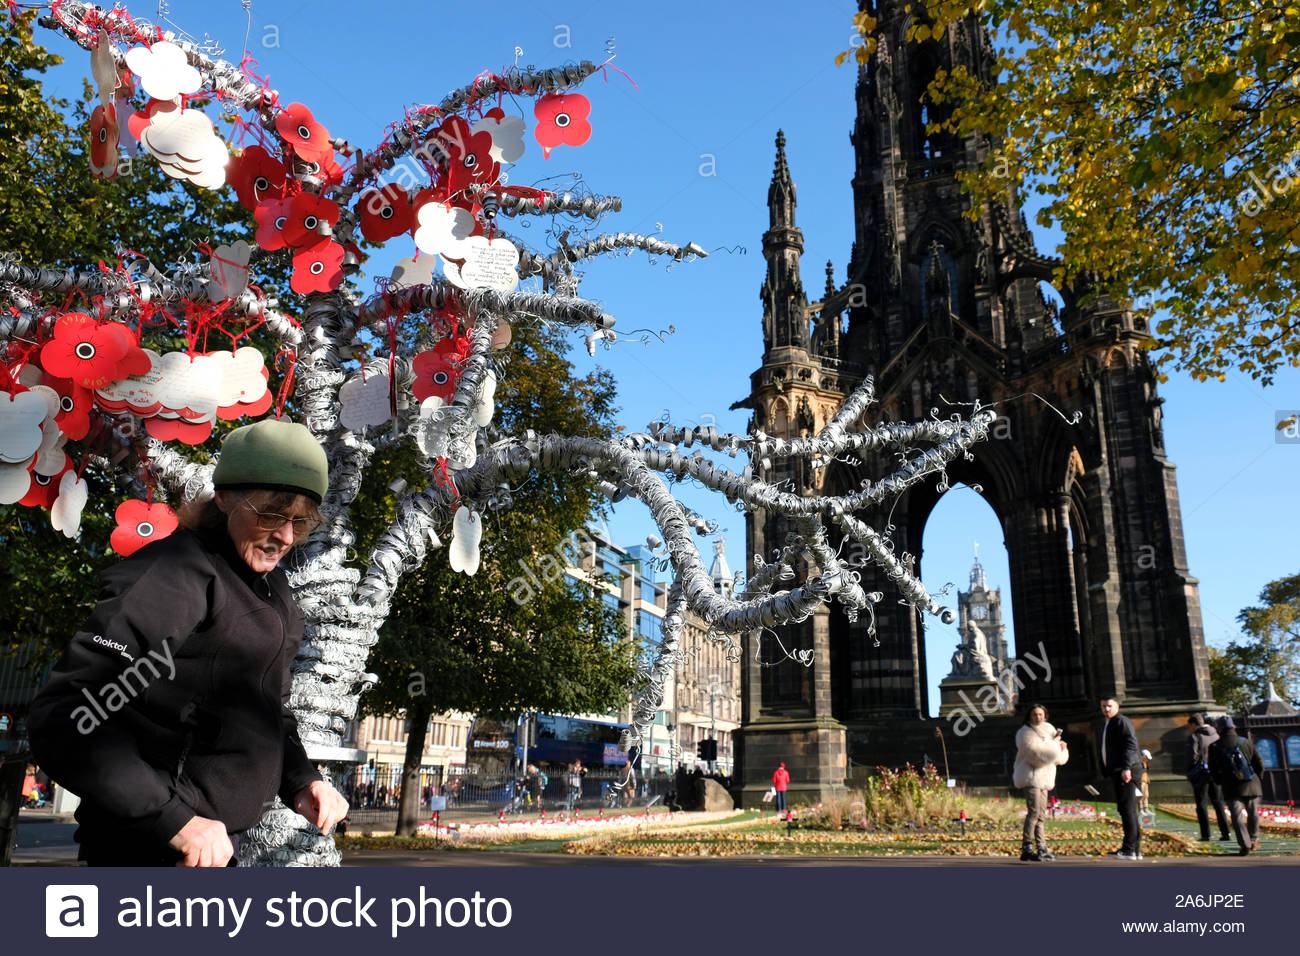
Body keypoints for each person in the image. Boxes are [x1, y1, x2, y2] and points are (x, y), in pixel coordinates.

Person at [28, 419, 349, 867]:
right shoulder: (175, 574)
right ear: (224, 498)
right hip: (147, 851)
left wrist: (301, 779)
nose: (287, 537)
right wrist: (175, 820)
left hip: (212, 851)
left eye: (301, 521)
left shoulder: (273, 590)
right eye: (272, 515)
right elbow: (66, 717)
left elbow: (269, 710)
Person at [1012, 703, 1069, 862]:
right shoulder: (1025, 733)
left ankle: (1042, 847)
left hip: (1045, 778)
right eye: (1034, 714)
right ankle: (1027, 847)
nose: (1037, 717)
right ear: (1029, 716)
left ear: (1045, 716)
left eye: (1040, 714)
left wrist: (1061, 748)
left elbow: (1056, 758)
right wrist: (1055, 747)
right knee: (1034, 812)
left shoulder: (1050, 730)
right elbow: (1036, 756)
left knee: (1041, 815)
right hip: (1031, 776)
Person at [1208, 716, 1265, 856]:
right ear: (1234, 727)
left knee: (1236, 815)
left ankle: (1244, 844)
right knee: (1253, 812)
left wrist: (1220, 781)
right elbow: (1260, 763)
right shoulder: (1245, 742)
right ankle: (1253, 839)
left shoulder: (1215, 747)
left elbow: (1213, 769)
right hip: (1251, 783)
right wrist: (1257, 778)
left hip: (1231, 786)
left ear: (1219, 729)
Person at [1099, 695, 1143, 859]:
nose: (1106, 709)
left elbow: (1130, 745)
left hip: (1126, 771)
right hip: (1119, 770)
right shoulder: (1110, 723)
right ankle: (1133, 849)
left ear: (1117, 706)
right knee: (1127, 809)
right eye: (1103, 706)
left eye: (1109, 706)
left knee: (1127, 809)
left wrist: (1126, 768)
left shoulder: (1121, 721)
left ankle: (1129, 848)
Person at [1186, 714, 1232, 842]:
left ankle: (1206, 834)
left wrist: (1190, 769)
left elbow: (1193, 756)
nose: (1190, 728)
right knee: (1218, 803)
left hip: (1201, 773)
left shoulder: (1195, 736)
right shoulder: (1216, 735)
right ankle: (1226, 833)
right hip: (1215, 773)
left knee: (1201, 804)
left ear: (1194, 724)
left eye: (1190, 726)